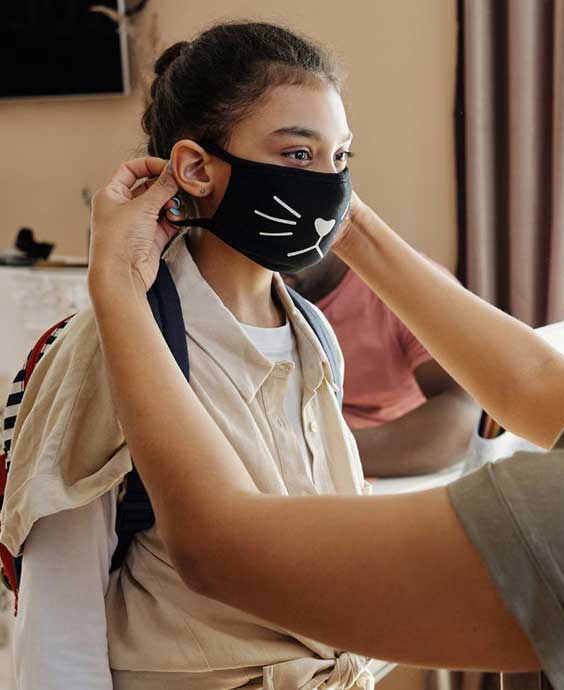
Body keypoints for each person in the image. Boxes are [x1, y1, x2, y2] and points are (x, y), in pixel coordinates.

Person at [88, 72, 564, 689]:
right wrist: (325, 200)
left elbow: (218, 548)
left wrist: (117, 282)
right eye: (307, 152)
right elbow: (533, 386)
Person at [1, 22, 374, 690]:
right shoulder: (112, 339)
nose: (328, 185)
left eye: (340, 159)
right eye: (297, 156)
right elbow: (59, 617)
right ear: (197, 168)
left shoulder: (313, 332)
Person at [284, 254, 479, 476]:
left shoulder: (406, 283)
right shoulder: (261, 287)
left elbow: (467, 415)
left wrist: (317, 453)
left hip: (390, 469)